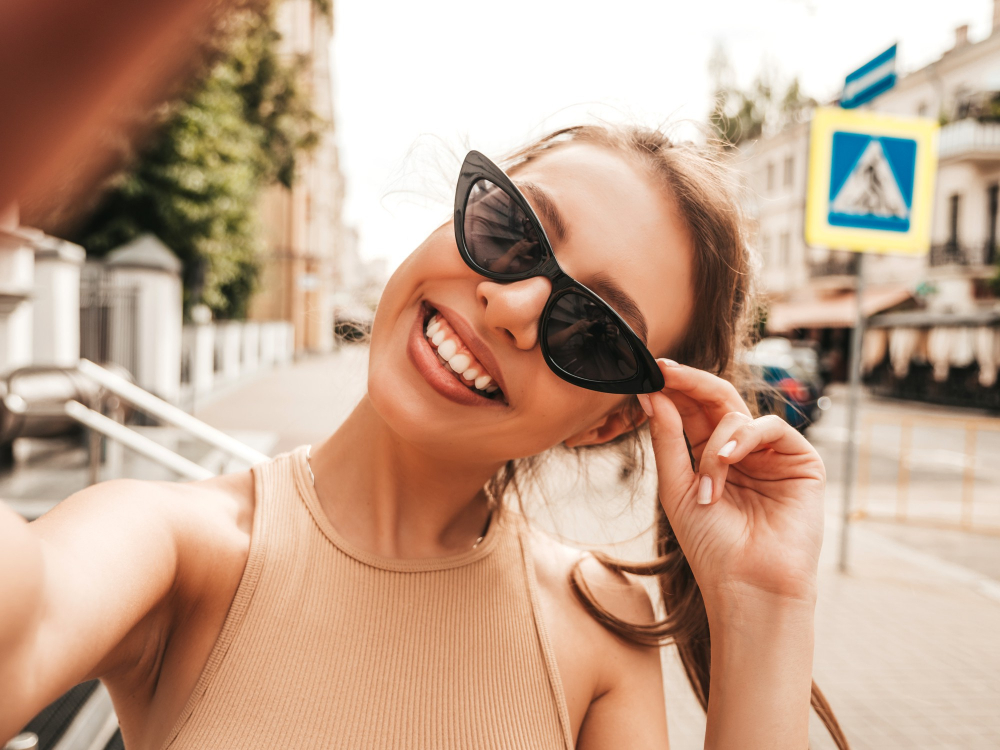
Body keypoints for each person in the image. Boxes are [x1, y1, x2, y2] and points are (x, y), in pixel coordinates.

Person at [0, 124, 849, 749]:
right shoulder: (178, 546)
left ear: (611, 420)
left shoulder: (599, 626)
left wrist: (766, 606)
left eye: (590, 327)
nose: (511, 307)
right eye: (511, 230)